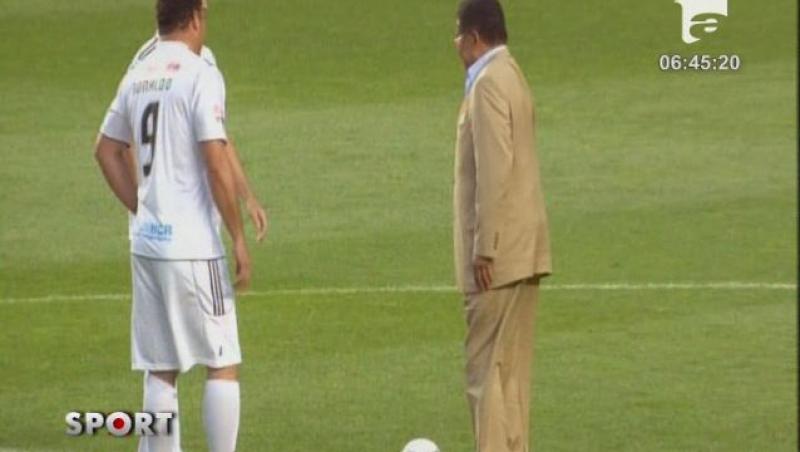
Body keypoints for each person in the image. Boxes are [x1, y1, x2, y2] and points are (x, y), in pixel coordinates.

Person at [94, 0, 256, 450]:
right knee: (221, 358)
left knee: (160, 368)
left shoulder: (139, 73)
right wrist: (238, 236)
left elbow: (105, 150)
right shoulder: (199, 74)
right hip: (193, 247)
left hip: (147, 245)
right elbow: (216, 161)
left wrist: (142, 207)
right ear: (196, 16)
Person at [452, 0, 552, 451]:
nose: (454, 45)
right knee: (511, 378)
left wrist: (484, 247)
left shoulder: (489, 84)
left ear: (475, 37)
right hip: (525, 249)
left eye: (457, 35)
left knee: (485, 375)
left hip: (499, 256)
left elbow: (495, 168)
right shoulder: (515, 75)